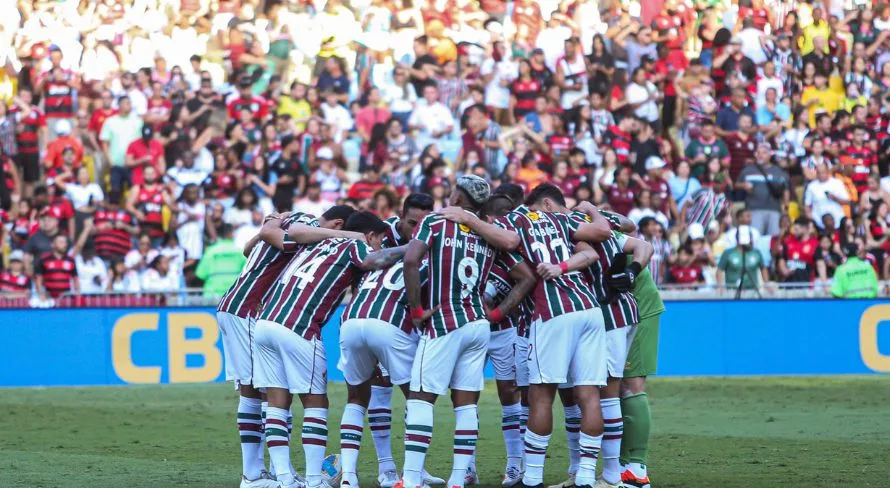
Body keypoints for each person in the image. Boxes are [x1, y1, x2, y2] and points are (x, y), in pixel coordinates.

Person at [253, 211, 406, 488]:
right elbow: (373, 261)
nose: (380, 246)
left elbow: (290, 233)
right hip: (299, 327)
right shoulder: (356, 245)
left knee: (276, 402)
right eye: (379, 240)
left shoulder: (316, 241)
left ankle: (284, 479)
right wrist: (410, 249)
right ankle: (314, 480)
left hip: (265, 323)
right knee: (315, 402)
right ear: (370, 235)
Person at [216, 207, 362, 488]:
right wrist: (346, 235)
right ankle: (254, 474)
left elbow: (252, 246)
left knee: (266, 390)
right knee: (261, 392)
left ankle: (275, 471)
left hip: (237, 304)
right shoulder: (308, 226)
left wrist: (268, 228)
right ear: (338, 224)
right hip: (248, 308)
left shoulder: (292, 220)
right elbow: (279, 235)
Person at [396, 175, 524, 488]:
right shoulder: (489, 233)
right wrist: (497, 313)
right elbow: (525, 273)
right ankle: (457, 478)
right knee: (466, 403)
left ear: (456, 197)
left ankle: (410, 479)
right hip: (478, 324)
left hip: (444, 322)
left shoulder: (435, 222)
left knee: (420, 399)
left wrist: (416, 310)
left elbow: (411, 260)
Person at [494, 183, 613, 488]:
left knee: (541, 395)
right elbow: (593, 248)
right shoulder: (561, 220)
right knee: (589, 394)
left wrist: (470, 219)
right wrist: (562, 265)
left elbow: (508, 240)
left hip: (553, 312)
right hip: (589, 309)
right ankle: (586, 475)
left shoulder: (514, 220)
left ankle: (533, 477)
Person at [619, 240, 666, 488]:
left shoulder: (597, 227)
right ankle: (621, 465)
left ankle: (637, 470)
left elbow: (643, 244)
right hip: (619, 310)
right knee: (614, 387)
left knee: (631, 385)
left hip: (638, 308)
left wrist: (632, 270)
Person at [735, 143, 790, 237]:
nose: (760, 155)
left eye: (764, 153)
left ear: (770, 154)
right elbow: (736, 185)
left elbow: (786, 191)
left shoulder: (779, 172)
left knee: (773, 239)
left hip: (774, 210)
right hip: (753, 209)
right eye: (758, 153)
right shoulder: (747, 170)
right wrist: (743, 185)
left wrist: (785, 211)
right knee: (755, 237)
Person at [194, 224, 246, 297]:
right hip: (233, 295)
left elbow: (200, 274)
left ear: (218, 235)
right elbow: (247, 273)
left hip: (212, 296)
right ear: (232, 234)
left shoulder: (210, 251)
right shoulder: (241, 252)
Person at [716, 225, 770, 293]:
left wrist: (766, 284)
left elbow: (763, 268)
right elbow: (719, 270)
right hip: (732, 290)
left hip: (752, 291)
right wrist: (720, 286)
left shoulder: (756, 253)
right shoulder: (728, 253)